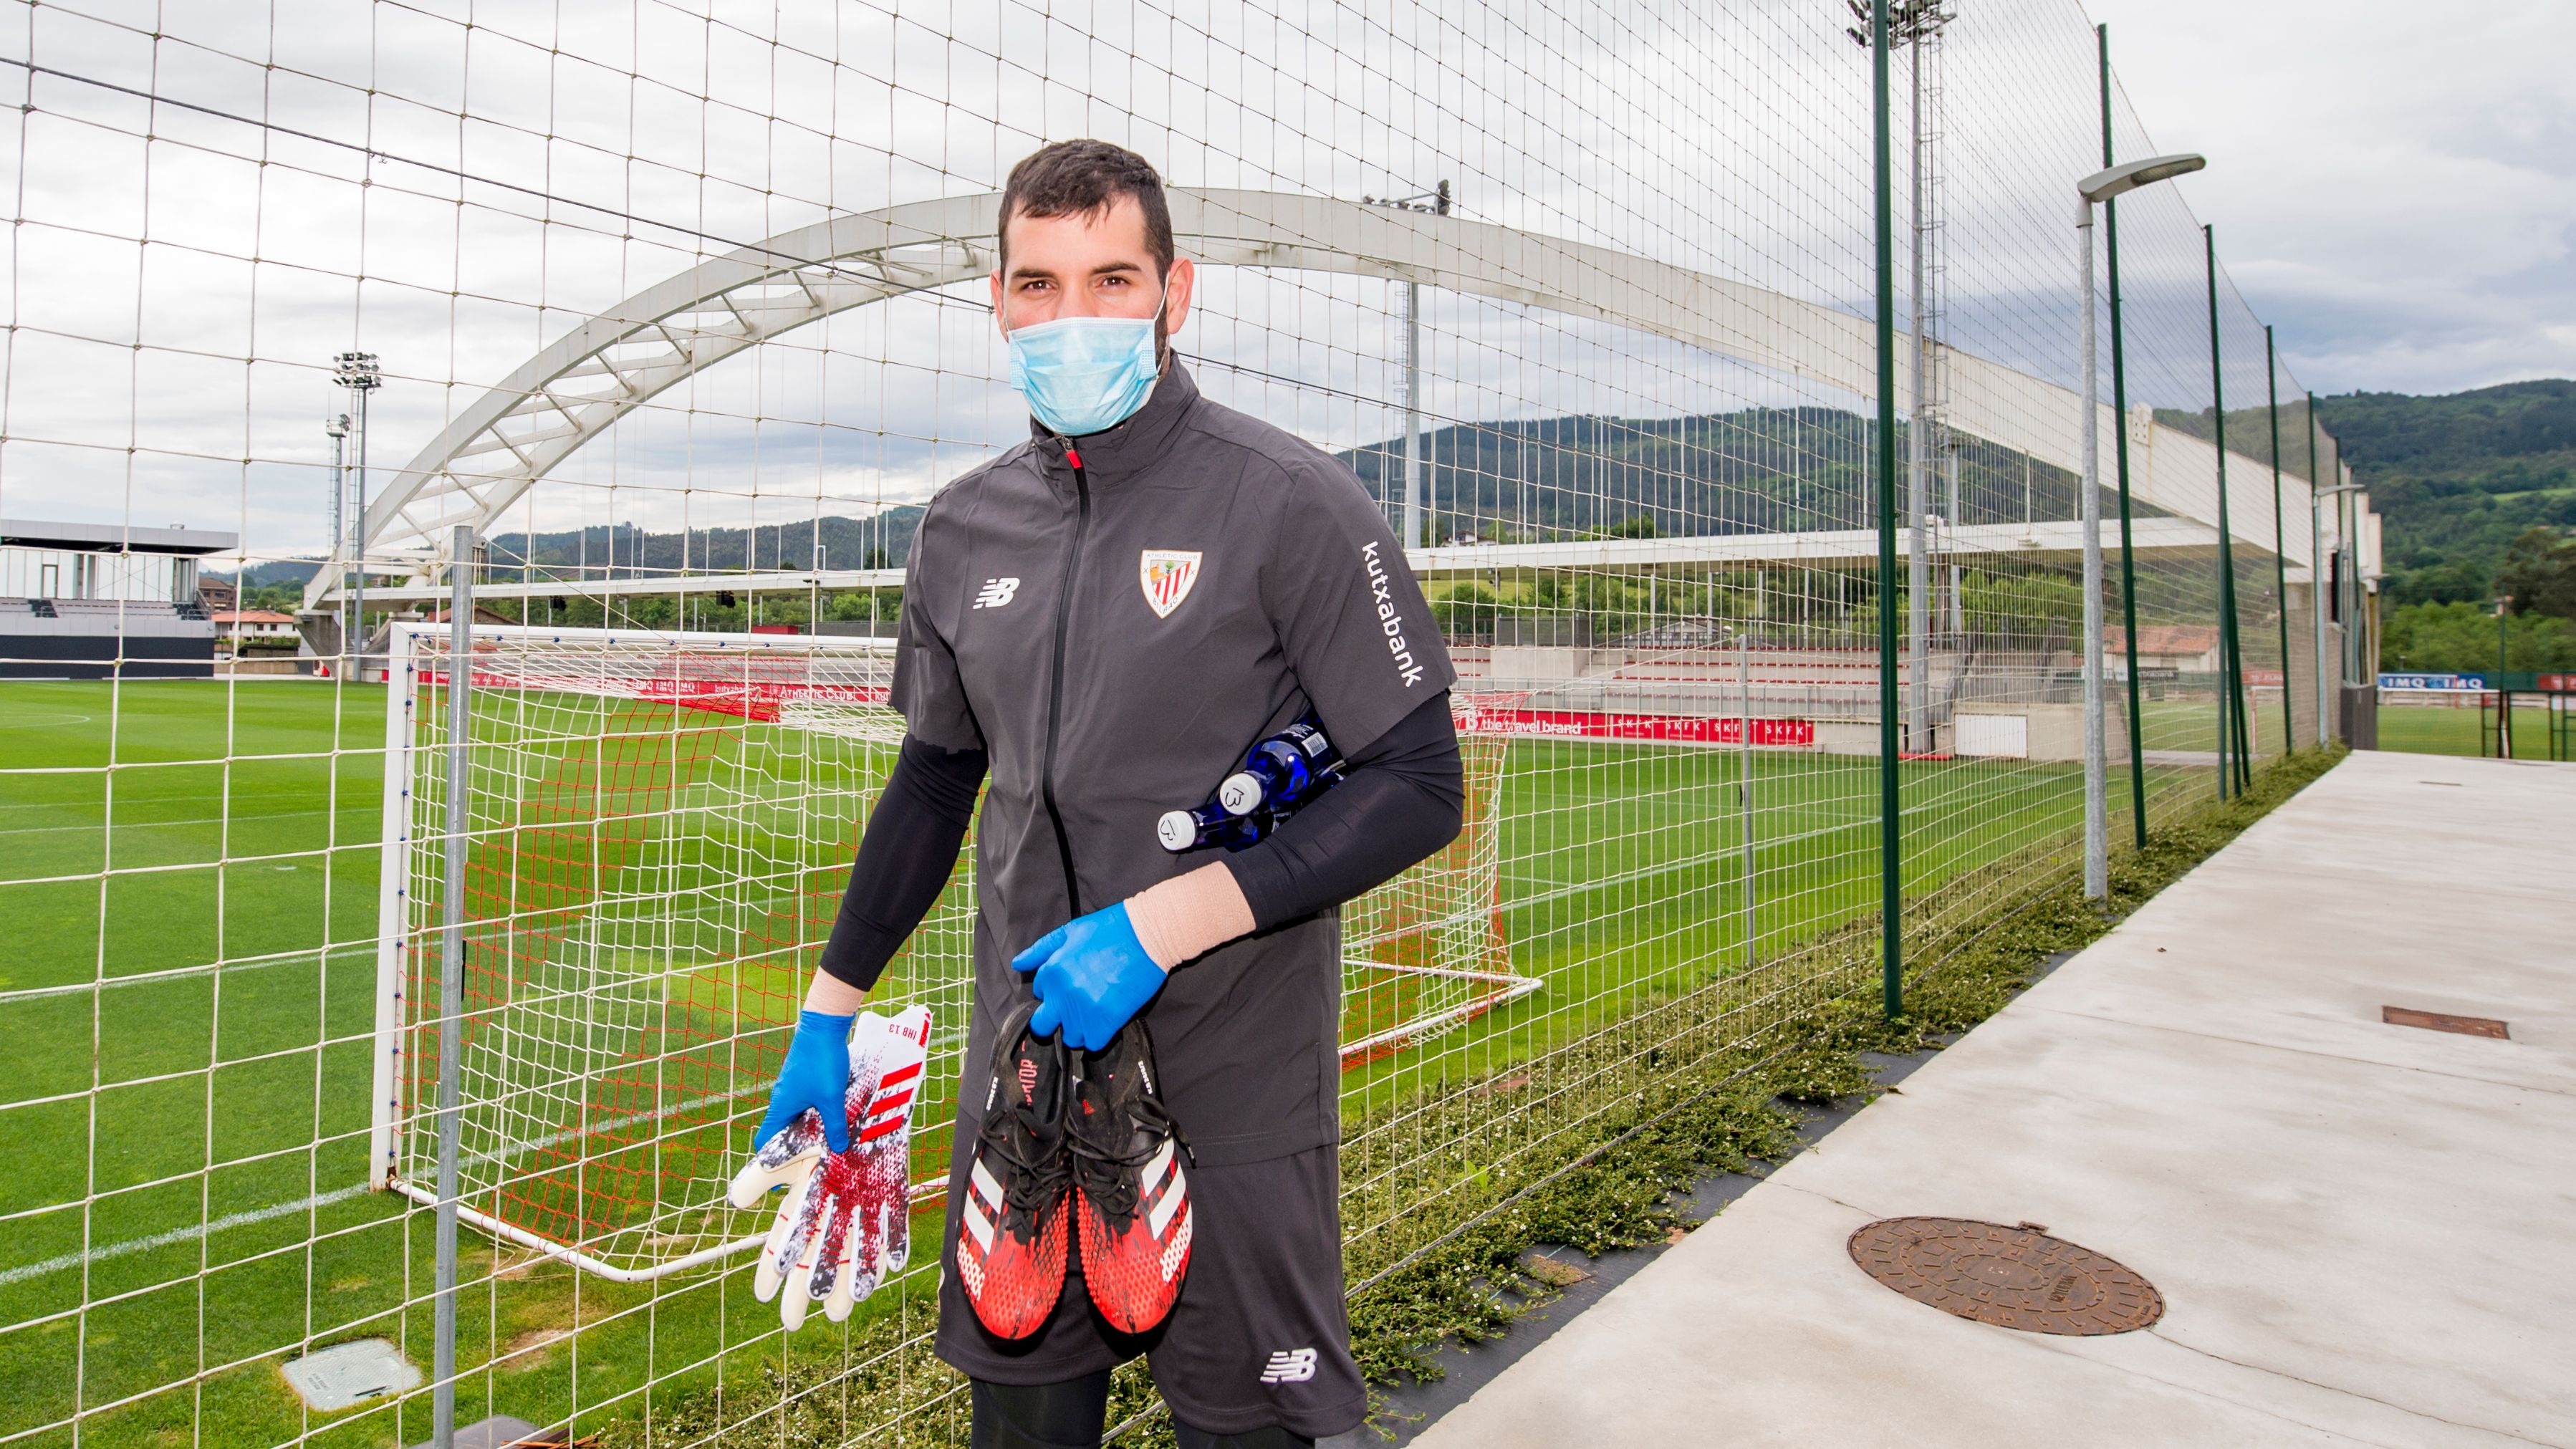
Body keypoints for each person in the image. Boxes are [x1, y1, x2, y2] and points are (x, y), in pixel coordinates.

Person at [754, 138, 1465, 1449]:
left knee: (1254, 1433)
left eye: (1111, 280)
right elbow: (935, 780)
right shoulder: (962, 526)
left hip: (1234, 1082)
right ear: (998, 301)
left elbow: (1420, 784)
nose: (1070, 316)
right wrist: (827, 1014)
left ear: (1173, 294)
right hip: (1023, 1088)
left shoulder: (1293, 500)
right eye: (1038, 284)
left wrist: (1160, 927)